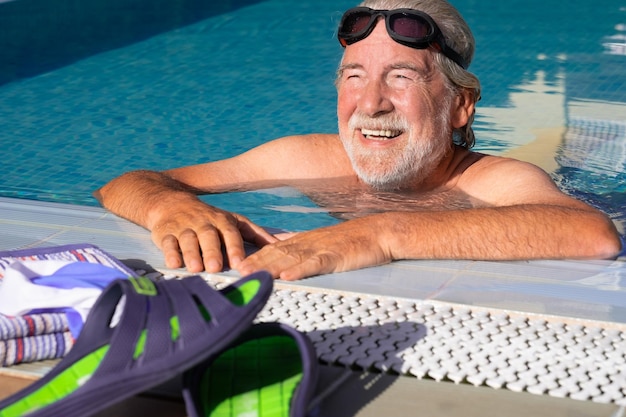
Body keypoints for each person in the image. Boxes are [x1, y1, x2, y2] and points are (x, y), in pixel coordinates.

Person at [94, 0, 622, 281]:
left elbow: (591, 232)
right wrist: (168, 208)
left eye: (402, 76)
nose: (370, 104)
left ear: (460, 105)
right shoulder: (308, 158)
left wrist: (381, 234)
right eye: (353, 76)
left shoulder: (494, 180)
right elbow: (128, 182)